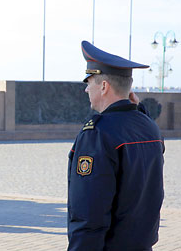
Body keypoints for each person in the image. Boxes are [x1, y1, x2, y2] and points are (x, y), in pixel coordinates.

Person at [67, 40, 164, 251]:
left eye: (89, 82)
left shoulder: (98, 134)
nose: (86, 90)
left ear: (103, 86)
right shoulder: (149, 127)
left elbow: (89, 213)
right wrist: (137, 109)